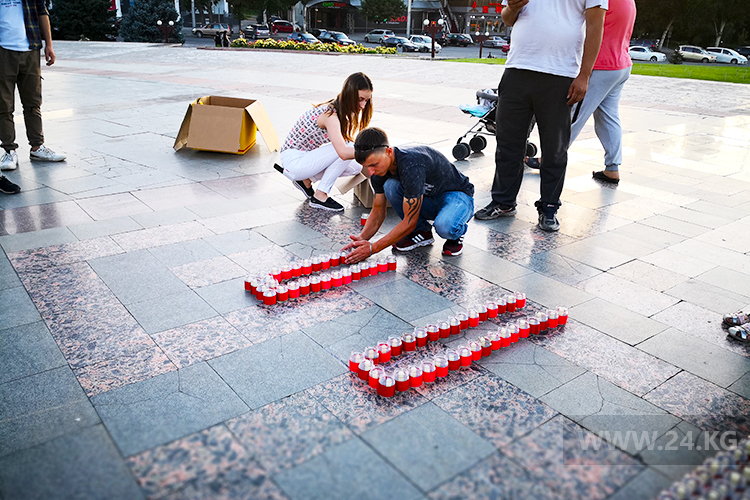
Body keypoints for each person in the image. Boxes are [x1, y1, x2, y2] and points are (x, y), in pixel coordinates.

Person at [474, 0, 607, 232]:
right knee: (508, 143)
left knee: (555, 148)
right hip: (517, 69)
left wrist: (584, 75)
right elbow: (507, 18)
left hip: (560, 74)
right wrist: (512, 7)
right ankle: (503, 202)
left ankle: (549, 207)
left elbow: (596, 26)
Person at [525, 0, 636, 185]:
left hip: (600, 66)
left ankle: (548, 160)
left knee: (571, 117)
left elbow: (585, 25)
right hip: (620, 65)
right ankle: (612, 168)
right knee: (609, 118)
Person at [342, 127, 474, 261]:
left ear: (389, 151)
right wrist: (362, 239)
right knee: (390, 186)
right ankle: (422, 231)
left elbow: (409, 222)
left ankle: (457, 234)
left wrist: (373, 248)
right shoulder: (378, 171)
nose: (370, 172)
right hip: (428, 197)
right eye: (366, 166)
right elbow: (377, 211)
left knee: (445, 226)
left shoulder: (412, 165)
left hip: (456, 195)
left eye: (374, 164)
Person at [275, 72, 373, 212]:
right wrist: (375, 151)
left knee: (356, 167)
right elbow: (343, 152)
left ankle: (306, 180)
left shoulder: (338, 111)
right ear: (349, 94)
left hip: (304, 159)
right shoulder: (330, 115)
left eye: (366, 100)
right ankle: (320, 195)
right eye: (360, 99)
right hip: (294, 160)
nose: (363, 105)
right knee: (349, 148)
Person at [1, 0, 66, 180]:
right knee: (4, 104)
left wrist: (49, 45)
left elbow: (42, 13)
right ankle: (9, 150)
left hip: (30, 48)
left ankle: (37, 147)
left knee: (33, 102)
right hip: (3, 51)